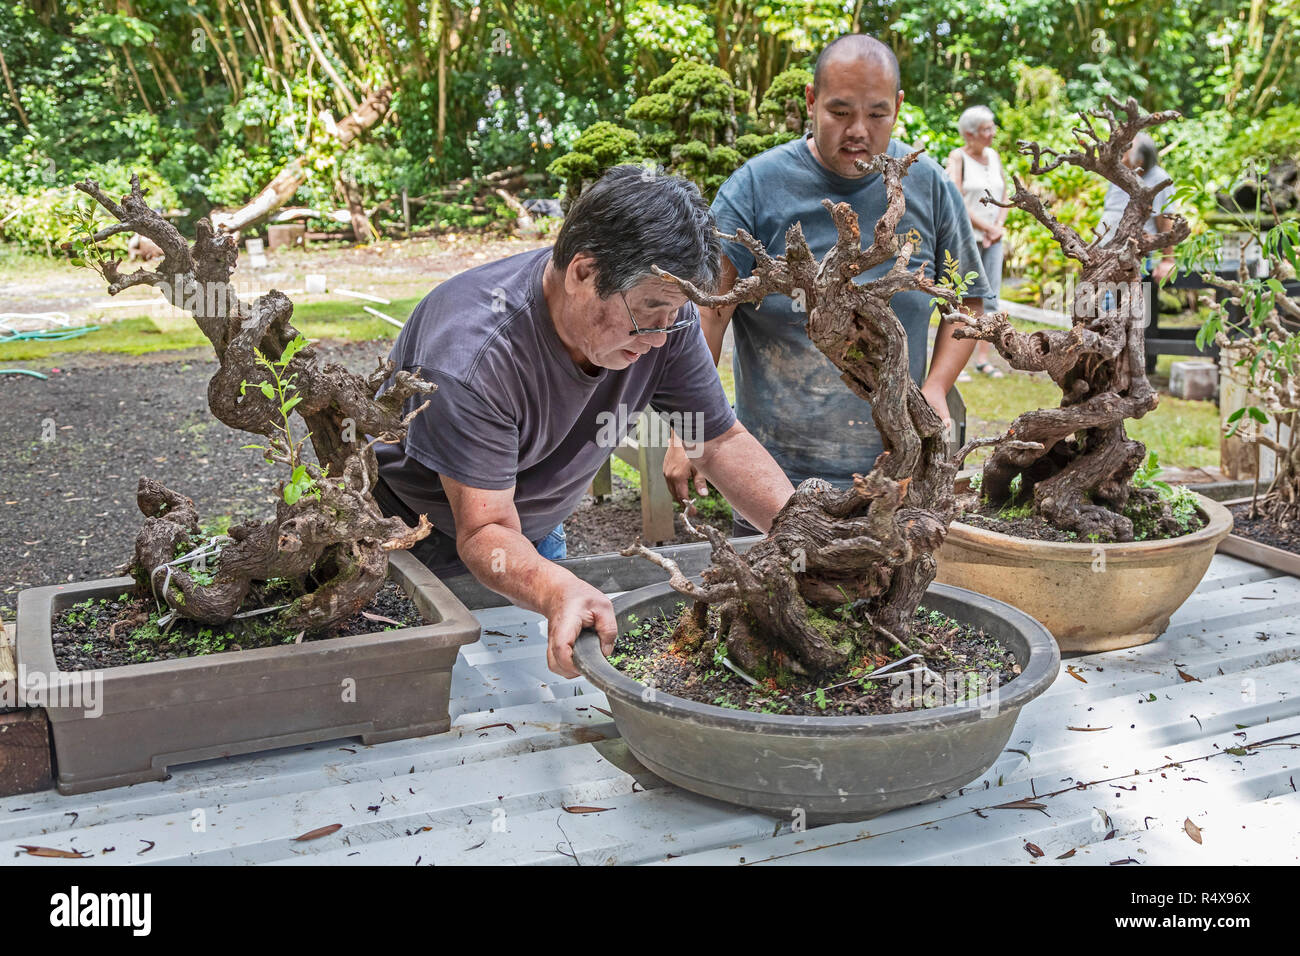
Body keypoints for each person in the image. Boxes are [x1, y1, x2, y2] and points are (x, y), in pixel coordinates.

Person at [370, 165, 796, 678]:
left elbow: (718, 439)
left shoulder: (665, 314)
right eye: (650, 313)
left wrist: (805, 535)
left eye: (675, 314)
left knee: (536, 671)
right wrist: (554, 588)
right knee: (450, 703)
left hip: (529, 532)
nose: (664, 336)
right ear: (582, 273)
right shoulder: (473, 356)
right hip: (414, 539)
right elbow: (484, 528)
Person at [663, 34, 990, 535]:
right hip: (770, 481)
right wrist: (686, 429)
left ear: (898, 108)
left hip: (895, 477)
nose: (858, 130)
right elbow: (705, 311)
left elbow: (968, 302)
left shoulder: (928, 187)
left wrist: (937, 389)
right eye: (839, 112)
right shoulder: (754, 187)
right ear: (811, 103)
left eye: (876, 115)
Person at [946, 105, 1009, 379]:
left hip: (993, 239)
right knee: (962, 298)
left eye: (992, 127)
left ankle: (983, 360)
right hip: (967, 237)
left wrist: (998, 227)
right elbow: (955, 199)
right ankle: (954, 363)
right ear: (969, 134)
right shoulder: (958, 157)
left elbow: (1005, 190)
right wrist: (985, 227)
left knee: (990, 298)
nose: (992, 133)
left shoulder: (994, 156)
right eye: (986, 129)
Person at [1099, 131, 1177, 283]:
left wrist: (1168, 260)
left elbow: (1166, 220)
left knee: (1115, 302)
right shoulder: (1120, 174)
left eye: (1125, 151)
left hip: (1133, 256)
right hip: (1105, 251)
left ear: (1139, 161)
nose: (1120, 154)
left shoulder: (1159, 179)